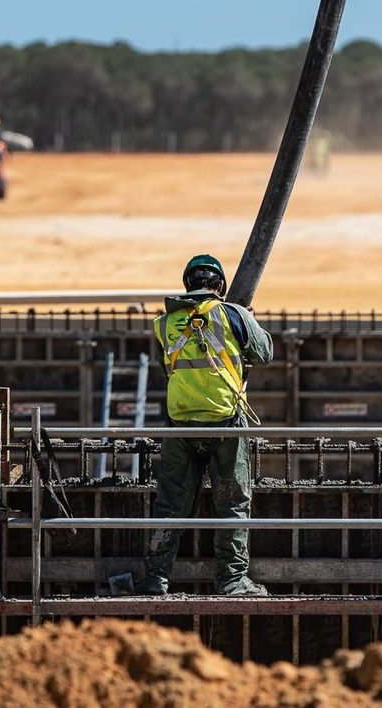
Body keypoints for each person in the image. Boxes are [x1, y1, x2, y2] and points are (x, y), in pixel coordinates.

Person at [140, 254, 274, 595]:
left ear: (188, 284)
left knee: (170, 503)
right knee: (232, 501)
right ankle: (232, 580)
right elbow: (264, 354)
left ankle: (156, 578)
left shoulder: (163, 323)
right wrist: (249, 323)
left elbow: (165, 368)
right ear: (220, 286)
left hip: (181, 423)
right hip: (224, 422)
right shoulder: (233, 314)